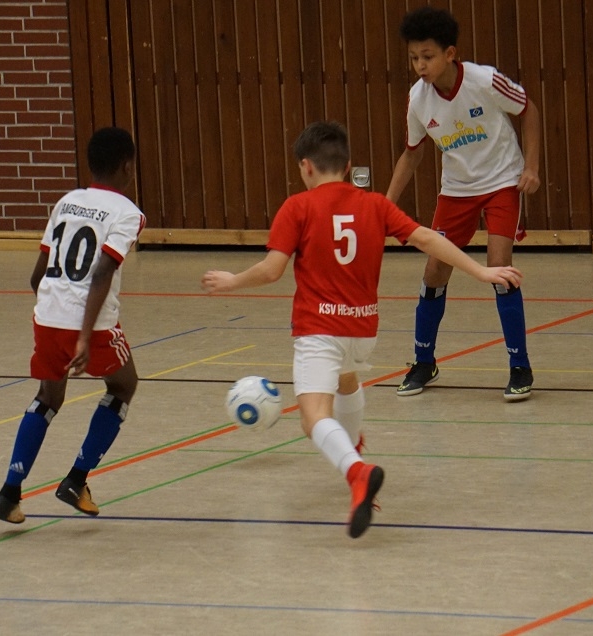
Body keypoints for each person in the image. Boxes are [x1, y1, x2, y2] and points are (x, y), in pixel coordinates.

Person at [202, 121, 523, 538]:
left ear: (305, 167)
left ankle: (357, 471)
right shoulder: (375, 205)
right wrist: (481, 271)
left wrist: (233, 281)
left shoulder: (297, 207)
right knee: (347, 381)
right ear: (348, 165)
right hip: (362, 329)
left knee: (313, 418)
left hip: (319, 328)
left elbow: (271, 270)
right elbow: (427, 238)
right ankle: (356, 470)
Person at [386, 6, 542, 401]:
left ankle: (520, 366)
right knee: (434, 270)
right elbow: (412, 154)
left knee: (499, 265)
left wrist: (532, 167)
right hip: (456, 189)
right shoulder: (418, 99)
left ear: (450, 53)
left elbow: (529, 110)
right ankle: (424, 362)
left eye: (427, 56)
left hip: (502, 180)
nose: (420, 65)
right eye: (413, 58)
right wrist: (383, 205)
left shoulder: (484, 81)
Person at [0, 127, 144, 524]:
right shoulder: (128, 213)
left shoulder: (67, 201)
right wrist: (84, 336)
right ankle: (76, 479)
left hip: (47, 314)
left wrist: (53, 312)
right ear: (128, 166)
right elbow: (103, 271)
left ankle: (9, 493)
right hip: (91, 323)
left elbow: (38, 274)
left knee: (48, 397)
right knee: (124, 385)